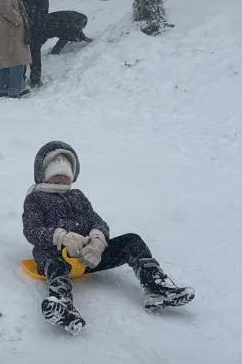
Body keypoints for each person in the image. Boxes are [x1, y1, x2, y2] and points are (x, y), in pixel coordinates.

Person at [22, 141, 196, 335]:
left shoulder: (77, 196)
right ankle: (63, 305)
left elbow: (97, 220)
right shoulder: (35, 199)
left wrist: (98, 239)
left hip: (87, 257)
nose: (62, 177)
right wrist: (61, 237)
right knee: (55, 264)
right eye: (56, 173)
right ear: (44, 173)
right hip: (56, 255)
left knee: (132, 240)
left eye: (66, 173)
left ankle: (156, 288)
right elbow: (31, 230)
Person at [16, 0, 49, 88]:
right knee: (21, 52)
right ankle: (20, 78)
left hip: (36, 21)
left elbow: (44, 2)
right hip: (21, 22)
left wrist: (41, 20)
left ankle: (35, 78)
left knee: (35, 51)